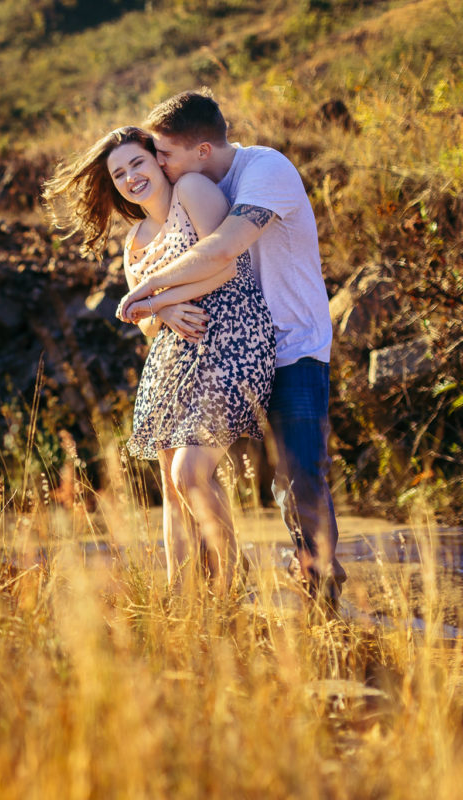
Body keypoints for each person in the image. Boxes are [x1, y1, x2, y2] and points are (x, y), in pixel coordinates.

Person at [117, 90, 346, 606]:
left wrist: (145, 293)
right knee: (189, 477)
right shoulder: (184, 196)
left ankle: (321, 589)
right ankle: (210, 589)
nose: (160, 164)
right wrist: (160, 306)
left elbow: (222, 251)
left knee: (298, 474)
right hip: (225, 349)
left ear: (200, 151)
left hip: (292, 342)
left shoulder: (265, 169)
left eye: (164, 154)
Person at [43, 126, 274, 593]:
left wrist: (152, 301)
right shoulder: (134, 242)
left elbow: (227, 264)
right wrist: (162, 308)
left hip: (231, 334)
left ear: (156, 160)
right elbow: (146, 323)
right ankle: (182, 597)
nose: (131, 178)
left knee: (190, 471)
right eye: (119, 174)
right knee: (172, 486)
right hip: (171, 359)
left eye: (137, 164)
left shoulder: (192, 190)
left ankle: (232, 582)